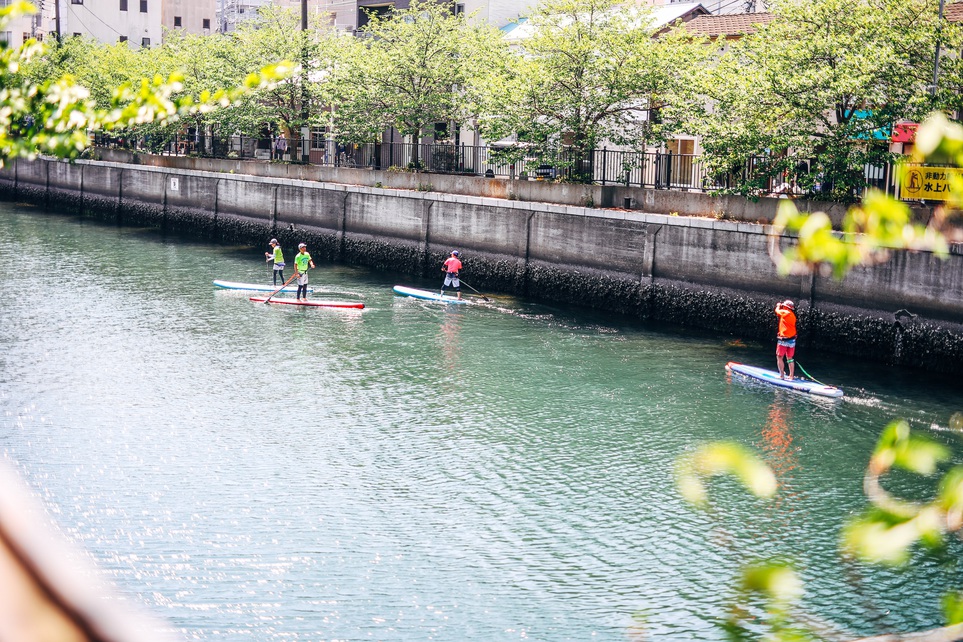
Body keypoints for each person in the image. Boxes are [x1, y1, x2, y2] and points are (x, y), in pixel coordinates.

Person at [775, 300, 797, 380]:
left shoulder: (785, 312)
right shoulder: (793, 315)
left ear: (785, 307)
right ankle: (791, 376)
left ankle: (781, 376)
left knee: (779, 357)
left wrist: (778, 305)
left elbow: (777, 311)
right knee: (790, 358)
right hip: (792, 340)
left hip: (784, 340)